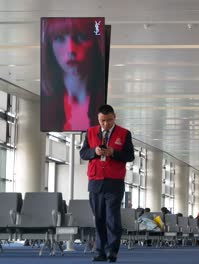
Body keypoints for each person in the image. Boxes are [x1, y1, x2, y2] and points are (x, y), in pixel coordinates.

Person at [80, 104, 134, 262]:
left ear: (114, 117)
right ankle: (100, 251)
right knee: (99, 218)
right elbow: (83, 153)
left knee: (112, 217)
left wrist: (114, 153)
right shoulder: (90, 132)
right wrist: (94, 152)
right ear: (98, 119)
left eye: (109, 120)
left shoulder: (124, 133)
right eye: (102, 121)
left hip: (114, 182)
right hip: (95, 181)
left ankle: (112, 251)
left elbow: (130, 156)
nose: (105, 124)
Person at [41, 17, 106, 132]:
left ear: (96, 43)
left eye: (82, 37)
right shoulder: (48, 106)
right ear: (49, 46)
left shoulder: (101, 99)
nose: (71, 50)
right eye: (59, 38)